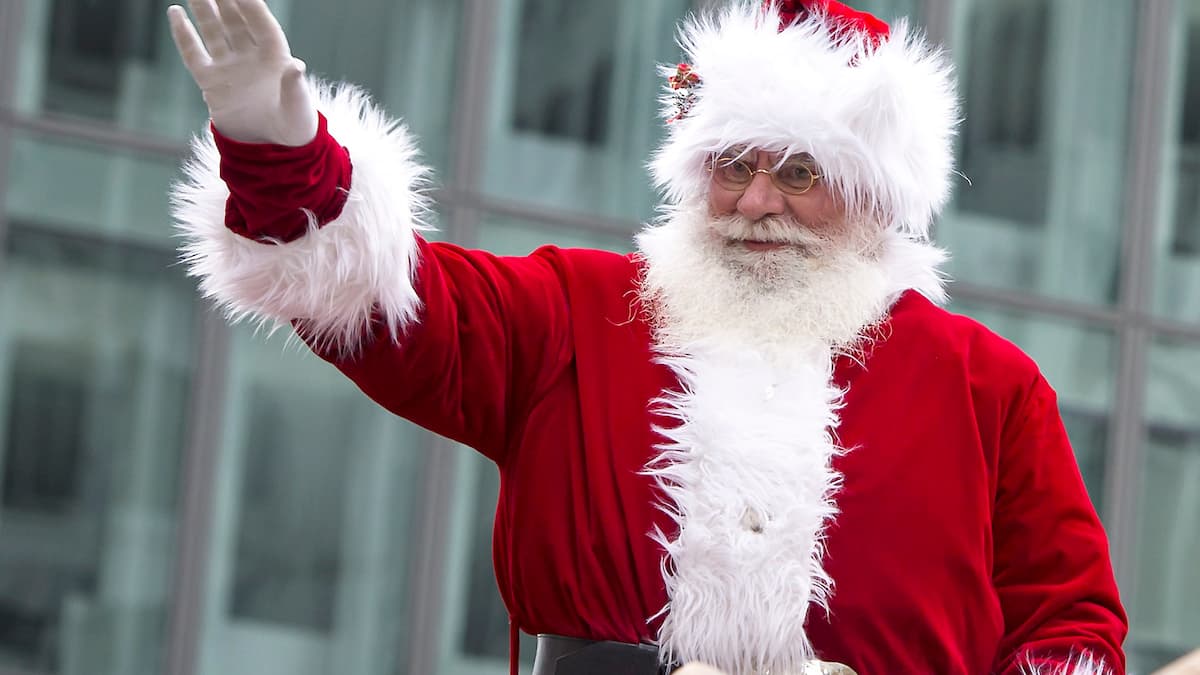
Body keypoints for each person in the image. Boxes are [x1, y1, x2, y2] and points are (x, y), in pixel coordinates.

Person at [165, 0, 1129, 673]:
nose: (757, 200)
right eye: (732, 164)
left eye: (798, 173)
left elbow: (1070, 622)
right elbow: (394, 300)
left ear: (876, 196)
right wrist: (279, 153)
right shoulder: (579, 311)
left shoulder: (988, 387)